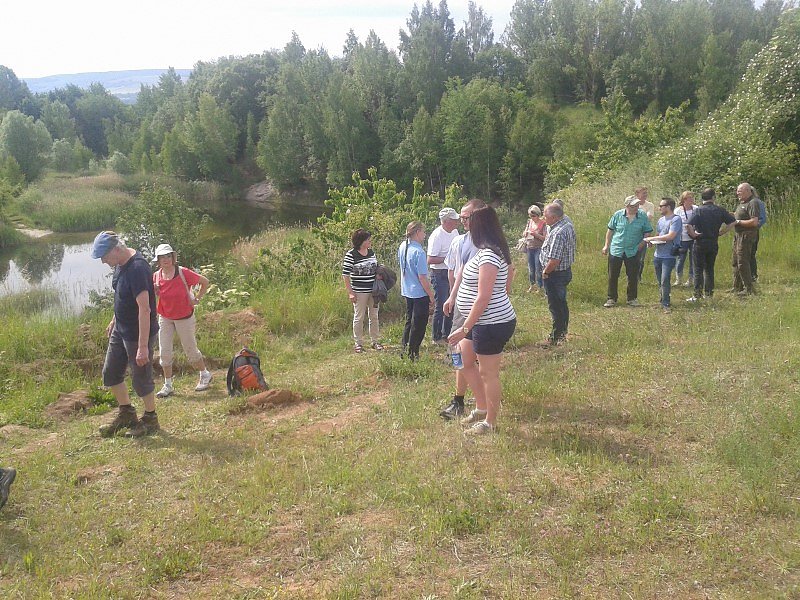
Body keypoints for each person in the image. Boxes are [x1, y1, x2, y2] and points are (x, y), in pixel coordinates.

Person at [447, 206, 516, 436]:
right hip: (478, 321)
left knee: (488, 373)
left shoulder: (488, 255)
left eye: (469, 220)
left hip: (491, 323)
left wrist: (465, 327)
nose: (465, 224)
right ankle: (481, 406)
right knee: (463, 360)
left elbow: (484, 296)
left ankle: (490, 422)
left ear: (480, 226)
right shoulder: (482, 251)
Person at [91, 231, 160, 437]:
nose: (103, 261)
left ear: (116, 249)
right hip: (121, 330)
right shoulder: (119, 266)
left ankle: (150, 418)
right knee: (111, 373)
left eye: (104, 256)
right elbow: (122, 296)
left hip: (138, 334)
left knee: (141, 377)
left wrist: (142, 347)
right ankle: (127, 413)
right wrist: (114, 319)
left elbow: (145, 309)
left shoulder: (137, 268)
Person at [439, 198, 485, 419]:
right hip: (461, 308)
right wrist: (451, 297)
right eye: (462, 217)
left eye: (466, 217)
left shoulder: (488, 243)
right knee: (457, 352)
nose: (463, 221)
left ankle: (484, 402)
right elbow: (454, 272)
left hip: (484, 310)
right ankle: (459, 400)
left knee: (481, 358)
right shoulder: (458, 242)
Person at [152, 243, 212, 397]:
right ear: (158, 260)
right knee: (164, 351)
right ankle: (168, 385)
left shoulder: (182, 272)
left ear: (173, 257)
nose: (166, 259)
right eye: (162, 257)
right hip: (165, 317)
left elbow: (204, 282)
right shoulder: (156, 275)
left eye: (168, 256)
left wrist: (197, 298)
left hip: (184, 317)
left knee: (190, 349)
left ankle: (204, 374)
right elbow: (157, 294)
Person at [686, 188, 736, 302]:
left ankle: (697, 295)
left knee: (698, 269)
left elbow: (688, 225)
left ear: (702, 198)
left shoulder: (698, 210)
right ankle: (709, 294)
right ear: (713, 198)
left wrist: (694, 235)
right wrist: (722, 232)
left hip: (700, 242)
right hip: (713, 242)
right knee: (709, 269)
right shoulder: (719, 210)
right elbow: (733, 221)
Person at [602, 195, 653, 308]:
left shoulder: (642, 216)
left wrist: (641, 245)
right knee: (613, 275)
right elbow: (610, 231)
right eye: (633, 206)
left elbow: (647, 232)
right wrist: (606, 245)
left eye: (637, 205)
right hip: (616, 249)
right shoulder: (618, 214)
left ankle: (632, 298)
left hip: (633, 250)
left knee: (633, 275)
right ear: (627, 206)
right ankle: (611, 298)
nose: (636, 208)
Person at [539, 202, 576, 345]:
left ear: (554, 217)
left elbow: (554, 260)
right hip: (563, 272)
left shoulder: (558, 232)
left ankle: (556, 337)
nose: (544, 218)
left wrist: (545, 272)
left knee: (556, 305)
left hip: (555, 274)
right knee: (561, 303)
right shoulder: (565, 222)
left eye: (546, 216)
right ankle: (562, 333)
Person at [397, 221, 435, 361]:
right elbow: (422, 278)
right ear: (417, 232)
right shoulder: (419, 252)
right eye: (423, 232)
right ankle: (413, 353)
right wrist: (431, 295)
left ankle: (404, 349)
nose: (425, 235)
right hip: (419, 293)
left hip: (407, 290)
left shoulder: (403, 246)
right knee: (418, 325)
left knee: (409, 321)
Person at [427, 208, 461, 343]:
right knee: (441, 304)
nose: (457, 222)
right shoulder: (436, 236)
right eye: (454, 220)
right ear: (446, 221)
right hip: (439, 274)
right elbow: (430, 259)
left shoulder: (455, 232)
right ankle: (436, 336)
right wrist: (448, 258)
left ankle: (447, 333)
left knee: (451, 303)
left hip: (452, 272)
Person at [643, 198, 682, 312]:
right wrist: (651, 242)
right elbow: (659, 234)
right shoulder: (660, 220)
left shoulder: (676, 219)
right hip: (658, 254)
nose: (659, 208)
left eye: (661, 206)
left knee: (665, 279)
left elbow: (670, 236)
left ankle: (666, 303)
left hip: (669, 255)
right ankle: (662, 299)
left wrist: (652, 238)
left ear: (668, 207)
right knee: (660, 280)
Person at [730, 182, 761, 295]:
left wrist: (738, 221)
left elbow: (754, 222)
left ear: (748, 191)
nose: (738, 193)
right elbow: (740, 215)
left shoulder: (753, 203)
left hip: (746, 235)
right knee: (735, 261)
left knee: (743, 261)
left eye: (740, 191)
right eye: (737, 190)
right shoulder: (742, 203)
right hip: (737, 235)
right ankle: (737, 287)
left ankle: (749, 289)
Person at [674, 191, 697, 287]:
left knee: (693, 259)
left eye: (692, 197)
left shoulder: (696, 209)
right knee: (680, 259)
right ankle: (678, 279)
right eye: (689, 198)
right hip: (682, 238)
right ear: (684, 200)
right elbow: (674, 224)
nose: (691, 200)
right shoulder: (678, 210)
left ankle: (691, 280)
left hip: (694, 237)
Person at [523, 204, 546, 293]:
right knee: (531, 268)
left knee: (538, 268)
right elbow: (524, 231)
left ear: (538, 214)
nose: (532, 217)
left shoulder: (543, 223)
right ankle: (532, 285)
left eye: (534, 216)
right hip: (529, 247)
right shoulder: (529, 222)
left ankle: (540, 286)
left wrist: (535, 234)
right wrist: (525, 233)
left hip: (538, 248)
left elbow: (544, 238)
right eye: (530, 215)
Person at [635, 186, 655, 282]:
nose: (645, 195)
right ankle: (631, 275)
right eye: (643, 193)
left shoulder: (650, 205)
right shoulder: (633, 204)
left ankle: (638, 276)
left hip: (644, 233)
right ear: (637, 194)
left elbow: (649, 218)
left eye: (646, 193)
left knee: (641, 257)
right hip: (633, 233)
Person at [749, 186, 767, 281]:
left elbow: (762, 219)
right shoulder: (745, 203)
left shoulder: (757, 202)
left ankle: (753, 276)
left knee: (751, 253)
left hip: (753, 231)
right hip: (743, 232)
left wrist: (754, 226)